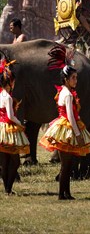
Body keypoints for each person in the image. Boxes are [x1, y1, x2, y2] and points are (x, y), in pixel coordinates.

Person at [40, 46, 90, 200]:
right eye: (73, 78)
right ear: (65, 79)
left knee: (67, 164)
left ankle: (65, 193)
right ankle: (62, 194)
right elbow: (71, 116)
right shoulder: (68, 94)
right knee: (66, 165)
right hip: (67, 128)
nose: (75, 80)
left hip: (64, 126)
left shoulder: (63, 92)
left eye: (76, 77)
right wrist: (78, 134)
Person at [0, 58, 30, 195]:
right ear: (10, 82)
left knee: (5, 161)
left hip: (1, 127)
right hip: (8, 128)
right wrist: (20, 124)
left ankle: (7, 189)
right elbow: (11, 116)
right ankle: (8, 188)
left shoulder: (1, 95)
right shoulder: (8, 98)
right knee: (15, 161)